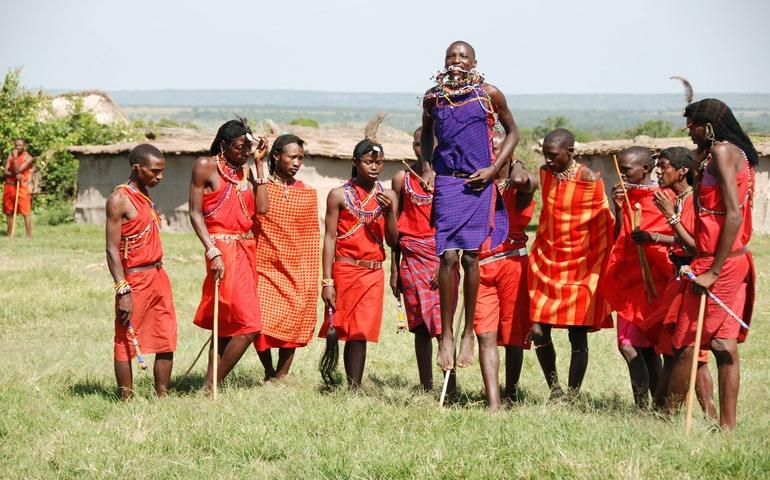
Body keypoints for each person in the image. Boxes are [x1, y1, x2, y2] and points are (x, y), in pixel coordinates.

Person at [419, 40, 521, 378]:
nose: (456, 60)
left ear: (475, 62)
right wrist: (428, 167)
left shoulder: (488, 94)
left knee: (471, 257)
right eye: (451, 55)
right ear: (443, 61)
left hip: (479, 182)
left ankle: (467, 334)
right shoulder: (433, 97)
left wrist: (494, 170)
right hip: (449, 183)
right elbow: (427, 137)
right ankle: (446, 334)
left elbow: (513, 132)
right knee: (448, 256)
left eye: (463, 56)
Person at [668, 99, 757, 430]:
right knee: (722, 345)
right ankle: (727, 429)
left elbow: (733, 214)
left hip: (720, 263)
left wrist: (712, 271)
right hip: (730, 258)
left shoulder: (722, 152)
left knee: (684, 345)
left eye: (691, 125)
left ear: (708, 126)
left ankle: (663, 422)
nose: (688, 132)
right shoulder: (727, 153)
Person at [527, 128, 614, 398]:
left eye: (553, 155)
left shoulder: (589, 179)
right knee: (538, 330)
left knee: (577, 334)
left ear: (571, 152)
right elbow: (550, 217)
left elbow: (603, 224)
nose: (548, 160)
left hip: (580, 266)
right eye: (545, 155)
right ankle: (555, 390)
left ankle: (573, 394)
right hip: (548, 261)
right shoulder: (546, 173)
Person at [189, 119, 269, 391]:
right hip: (222, 250)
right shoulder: (205, 166)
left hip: (247, 249)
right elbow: (194, 212)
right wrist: (211, 251)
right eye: (240, 147)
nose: (246, 151)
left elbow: (263, 208)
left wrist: (259, 164)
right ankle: (210, 387)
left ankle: (209, 385)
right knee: (250, 325)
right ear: (223, 144)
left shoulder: (245, 171)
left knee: (225, 325)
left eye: (249, 147)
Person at [637, 147, 716, 417]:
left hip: (693, 279)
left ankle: (712, 417)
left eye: (664, 166)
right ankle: (660, 412)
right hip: (678, 277)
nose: (658, 171)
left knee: (691, 353)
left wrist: (670, 216)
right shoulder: (680, 198)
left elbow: (697, 248)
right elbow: (683, 240)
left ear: (682, 171)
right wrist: (655, 237)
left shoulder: (695, 200)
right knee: (671, 349)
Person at [319, 139, 399, 388]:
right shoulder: (338, 195)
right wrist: (327, 281)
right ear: (355, 162)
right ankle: (350, 383)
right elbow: (330, 238)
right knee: (345, 329)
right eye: (368, 162)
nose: (374, 167)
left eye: (379, 162)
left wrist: (389, 213)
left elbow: (393, 240)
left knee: (361, 332)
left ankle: (355, 386)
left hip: (373, 272)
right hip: (344, 269)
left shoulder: (388, 196)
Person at [600, 147, 672, 408]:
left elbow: (672, 235)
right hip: (629, 281)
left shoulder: (663, 196)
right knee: (628, 345)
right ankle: (641, 407)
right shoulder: (625, 196)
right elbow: (620, 235)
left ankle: (660, 406)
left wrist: (652, 239)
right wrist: (618, 208)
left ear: (645, 169)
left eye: (627, 169)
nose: (621, 173)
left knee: (650, 348)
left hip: (654, 283)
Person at [105, 144, 177, 399]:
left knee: (166, 335)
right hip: (134, 279)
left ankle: (162, 396)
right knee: (125, 339)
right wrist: (122, 289)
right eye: (155, 171)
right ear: (137, 168)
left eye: (161, 171)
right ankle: (126, 399)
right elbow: (112, 250)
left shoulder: (145, 194)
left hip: (158, 276)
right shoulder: (119, 199)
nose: (160, 177)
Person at [252, 134, 319, 381]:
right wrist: (258, 164)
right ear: (277, 155)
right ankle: (268, 371)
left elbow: (311, 236)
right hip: (266, 266)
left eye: (301, 158)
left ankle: (280, 376)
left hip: (297, 268)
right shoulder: (261, 187)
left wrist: (311, 276)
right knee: (261, 321)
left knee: (293, 319)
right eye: (292, 156)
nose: (297, 162)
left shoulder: (306, 193)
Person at [473, 154, 537, 411]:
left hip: (512, 265)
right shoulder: (477, 185)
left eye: (500, 152)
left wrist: (516, 163)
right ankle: (493, 402)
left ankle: (510, 394)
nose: (493, 157)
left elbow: (522, 179)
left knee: (512, 335)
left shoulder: (520, 186)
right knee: (485, 333)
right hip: (480, 267)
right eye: (489, 150)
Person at [390, 127, 443, 392]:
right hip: (410, 258)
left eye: (429, 145)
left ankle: (449, 383)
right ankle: (426, 385)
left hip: (439, 259)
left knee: (442, 325)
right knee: (420, 326)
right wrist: (393, 268)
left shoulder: (447, 177)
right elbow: (396, 228)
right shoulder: (402, 178)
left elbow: (451, 225)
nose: (423, 150)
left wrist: (445, 264)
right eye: (418, 145)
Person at [3, 138, 34, 237]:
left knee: (26, 212)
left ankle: (28, 236)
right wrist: (14, 174)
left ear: (24, 146)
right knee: (9, 212)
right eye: (16, 145)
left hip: (21, 187)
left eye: (20, 145)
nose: (17, 147)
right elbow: (5, 172)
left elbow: (18, 170)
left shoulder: (28, 158)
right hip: (9, 186)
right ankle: (9, 234)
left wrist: (15, 158)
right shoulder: (10, 156)